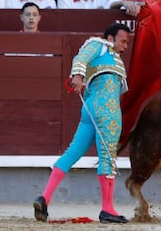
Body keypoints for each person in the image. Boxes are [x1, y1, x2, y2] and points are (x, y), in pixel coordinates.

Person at [33, 23, 131, 223]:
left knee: (72, 152)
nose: (125, 45)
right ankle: (108, 209)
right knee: (107, 156)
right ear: (111, 38)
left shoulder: (109, 56)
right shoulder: (101, 45)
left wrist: (82, 78)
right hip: (107, 108)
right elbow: (80, 58)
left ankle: (45, 197)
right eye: (123, 40)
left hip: (90, 108)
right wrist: (77, 75)